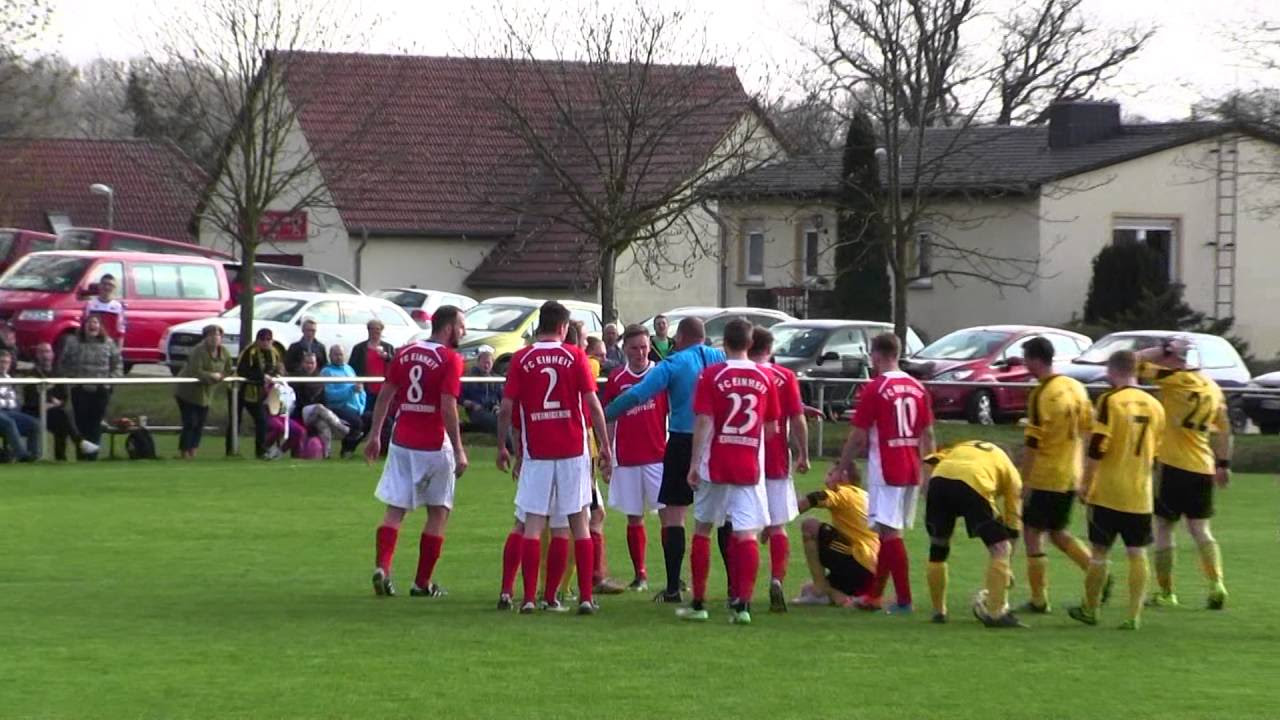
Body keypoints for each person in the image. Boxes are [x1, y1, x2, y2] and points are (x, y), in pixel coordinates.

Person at [496, 300, 612, 615]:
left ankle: (530, 598)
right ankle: (585, 598)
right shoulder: (575, 356)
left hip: (537, 450)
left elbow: (507, 408)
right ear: (563, 328)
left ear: (539, 326)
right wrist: (605, 447)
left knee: (532, 524)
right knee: (578, 523)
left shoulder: (521, 358)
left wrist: (502, 446)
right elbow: (592, 404)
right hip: (573, 449)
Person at [605, 317, 726, 604]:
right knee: (726, 516)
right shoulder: (722, 359)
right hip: (718, 441)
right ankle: (735, 590)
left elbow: (637, 394)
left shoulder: (673, 363)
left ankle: (673, 588)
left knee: (674, 515)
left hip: (684, 440)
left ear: (680, 337)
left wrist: (603, 414)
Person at [678, 318, 780, 624]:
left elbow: (704, 420)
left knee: (703, 528)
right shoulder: (765, 378)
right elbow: (773, 428)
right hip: (748, 463)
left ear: (723, 344)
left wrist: (694, 463)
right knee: (746, 533)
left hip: (715, 461)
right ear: (750, 344)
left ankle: (699, 603)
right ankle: (742, 606)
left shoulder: (711, 374)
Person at [365, 305, 468, 598]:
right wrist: (459, 449)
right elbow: (448, 405)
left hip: (401, 441)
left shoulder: (405, 352)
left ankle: (382, 567)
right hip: (434, 444)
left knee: (395, 509)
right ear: (448, 328)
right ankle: (422, 582)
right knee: (438, 511)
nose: (464, 332)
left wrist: (375, 436)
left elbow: (385, 395)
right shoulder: (450, 358)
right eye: (461, 326)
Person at [828, 332, 935, 614]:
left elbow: (859, 435)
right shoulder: (917, 387)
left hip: (887, 467)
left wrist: (842, 467)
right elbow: (928, 433)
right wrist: (929, 468)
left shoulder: (875, 389)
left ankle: (903, 600)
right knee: (891, 532)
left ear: (876, 355)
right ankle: (874, 595)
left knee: (889, 535)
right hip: (912, 466)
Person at [1069, 350, 1166, 630]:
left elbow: (1098, 447)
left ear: (1112, 371)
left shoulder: (1111, 401)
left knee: (1099, 552)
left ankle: (1091, 608)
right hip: (1140, 493)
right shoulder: (1155, 405)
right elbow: (1156, 454)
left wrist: (1085, 484)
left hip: (1109, 491)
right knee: (1137, 552)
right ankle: (1133, 615)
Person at [1136, 337, 1232, 610]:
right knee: (1201, 529)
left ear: (1172, 359)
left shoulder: (1171, 379)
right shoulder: (1213, 387)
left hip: (1172, 464)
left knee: (1165, 527)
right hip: (1203, 465)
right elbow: (1225, 429)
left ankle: (1166, 592)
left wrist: (1163, 349)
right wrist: (1223, 463)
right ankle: (1217, 584)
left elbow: (1132, 361)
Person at [1019, 336, 1097, 614]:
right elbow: (1090, 428)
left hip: (1046, 474)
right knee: (1058, 532)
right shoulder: (1076, 387)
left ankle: (1039, 599)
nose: (1025, 364)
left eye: (1026, 358)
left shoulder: (1041, 395)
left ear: (1036, 359)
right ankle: (1095, 571)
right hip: (1070, 473)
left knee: (1031, 532)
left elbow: (1032, 444)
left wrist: (1024, 481)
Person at [923, 440, 1025, 628]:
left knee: (938, 547)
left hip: (938, 480)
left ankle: (939, 611)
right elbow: (1013, 524)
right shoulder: (1012, 474)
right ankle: (996, 612)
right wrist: (1007, 566)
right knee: (1000, 548)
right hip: (973, 481)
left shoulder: (967, 446)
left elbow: (934, 458)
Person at [602, 325, 668, 592]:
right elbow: (609, 417)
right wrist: (606, 452)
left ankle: (674, 574)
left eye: (644, 347)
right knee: (633, 516)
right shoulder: (617, 378)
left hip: (658, 456)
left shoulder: (662, 374)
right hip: (627, 457)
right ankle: (640, 574)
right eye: (634, 348)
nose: (640, 353)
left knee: (669, 517)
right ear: (625, 349)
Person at [749, 327, 810, 613]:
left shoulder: (740, 374)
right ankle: (777, 580)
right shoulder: (785, 377)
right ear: (770, 349)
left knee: (740, 527)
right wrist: (804, 454)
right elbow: (797, 420)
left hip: (743, 458)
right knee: (778, 525)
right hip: (775, 459)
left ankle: (739, 589)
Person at [791, 471, 879, 608]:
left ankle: (823, 591)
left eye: (831, 473)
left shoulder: (844, 492)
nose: (826, 477)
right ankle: (841, 595)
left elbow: (817, 498)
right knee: (807, 589)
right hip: (872, 570)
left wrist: (787, 512)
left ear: (843, 476)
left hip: (860, 561)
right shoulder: (864, 495)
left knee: (810, 526)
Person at [57, 313, 122, 460]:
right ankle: (82, 455)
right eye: (89, 323)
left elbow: (117, 365)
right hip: (79, 389)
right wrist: (71, 379)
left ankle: (93, 455)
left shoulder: (109, 343)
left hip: (101, 390)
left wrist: (110, 381)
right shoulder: (73, 342)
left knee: (95, 423)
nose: (92, 326)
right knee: (81, 423)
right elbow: (63, 363)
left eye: (96, 323)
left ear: (100, 326)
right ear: (84, 326)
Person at [20, 342, 97, 460]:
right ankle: (79, 443)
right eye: (42, 352)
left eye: (47, 352)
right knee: (63, 416)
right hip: (35, 411)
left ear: (53, 354)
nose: (45, 355)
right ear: (37, 355)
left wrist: (55, 403)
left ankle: (62, 457)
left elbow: (65, 397)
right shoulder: (31, 375)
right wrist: (49, 403)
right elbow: (30, 398)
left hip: (54, 411)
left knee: (63, 417)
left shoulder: (58, 373)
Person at [172, 325, 233, 460]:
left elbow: (228, 369)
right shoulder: (198, 351)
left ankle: (194, 450)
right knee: (190, 422)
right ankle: (184, 451)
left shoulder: (224, 352)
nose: (214, 338)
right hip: (187, 392)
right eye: (211, 336)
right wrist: (211, 376)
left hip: (206, 394)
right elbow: (196, 371)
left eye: (217, 335)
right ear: (205, 337)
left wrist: (221, 376)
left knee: (200, 423)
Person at [234, 328, 284, 459]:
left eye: (268, 339)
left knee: (261, 421)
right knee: (235, 420)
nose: (266, 342)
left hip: (258, 392)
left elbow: (276, 368)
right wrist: (262, 377)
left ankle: (261, 451)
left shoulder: (274, 353)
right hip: (240, 390)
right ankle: (231, 450)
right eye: (263, 339)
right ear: (257, 340)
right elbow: (242, 371)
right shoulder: (250, 352)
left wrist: (276, 374)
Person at [292, 352, 349, 458]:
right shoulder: (297, 378)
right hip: (301, 412)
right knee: (319, 407)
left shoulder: (319, 379)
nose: (309, 365)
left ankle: (326, 454)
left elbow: (324, 400)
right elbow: (298, 401)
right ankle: (339, 426)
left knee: (324, 425)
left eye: (312, 363)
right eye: (307, 363)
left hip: (317, 413)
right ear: (302, 363)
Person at [350, 319, 395, 440]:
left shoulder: (388, 347)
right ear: (368, 330)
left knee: (385, 417)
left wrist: (387, 357)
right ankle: (360, 439)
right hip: (366, 388)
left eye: (378, 329)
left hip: (383, 388)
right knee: (367, 416)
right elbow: (352, 367)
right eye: (372, 329)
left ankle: (381, 440)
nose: (375, 332)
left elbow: (396, 365)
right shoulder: (359, 348)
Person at [321, 345, 366, 459]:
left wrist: (361, 405)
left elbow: (361, 390)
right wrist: (350, 390)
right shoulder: (327, 372)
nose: (339, 357)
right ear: (330, 356)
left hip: (356, 407)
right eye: (336, 355)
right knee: (357, 423)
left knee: (370, 418)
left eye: (341, 354)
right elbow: (329, 395)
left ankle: (350, 448)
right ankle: (346, 450)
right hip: (338, 407)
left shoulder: (349, 369)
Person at [0, 349, 39, 462]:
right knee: (9, 423)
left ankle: (34, 456)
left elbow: (15, 401)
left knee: (35, 424)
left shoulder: (9, 379)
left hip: (9, 411)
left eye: (6, 362)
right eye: (1, 362)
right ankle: (22, 455)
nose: (4, 365)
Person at [460, 345, 503, 434]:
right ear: (478, 362)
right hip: (476, 410)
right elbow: (459, 397)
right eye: (484, 363)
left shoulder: (497, 379)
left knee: (505, 419)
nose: (486, 366)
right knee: (493, 422)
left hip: (493, 410)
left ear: (493, 363)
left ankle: (468, 427)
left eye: (488, 363)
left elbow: (503, 397)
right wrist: (471, 404)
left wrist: (499, 407)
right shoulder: (469, 378)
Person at [84, 273, 126, 344]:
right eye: (104, 284)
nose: (106, 287)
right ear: (99, 286)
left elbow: (121, 332)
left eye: (110, 285)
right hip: (93, 345)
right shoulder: (90, 305)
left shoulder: (118, 307)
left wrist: (118, 351)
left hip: (109, 347)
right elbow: (84, 327)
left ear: (114, 288)